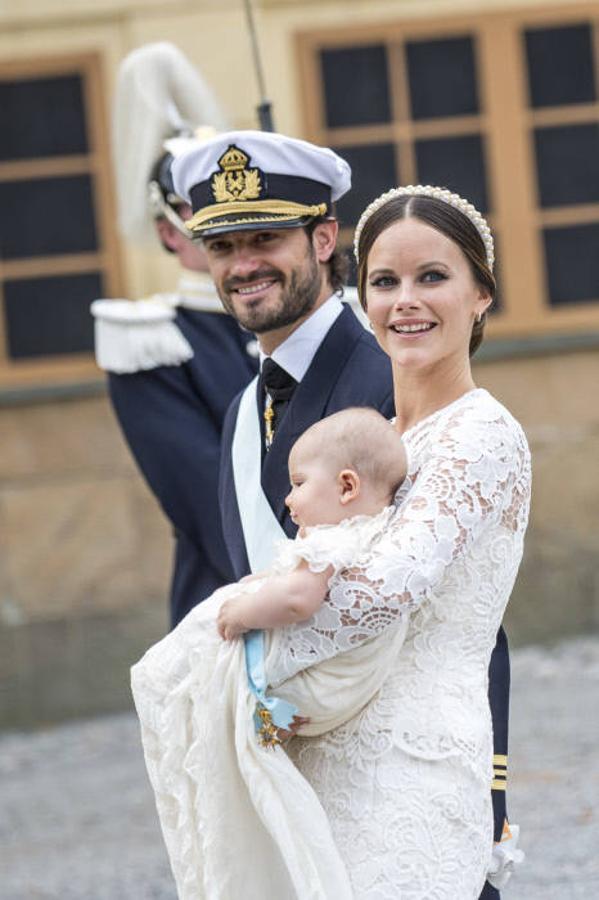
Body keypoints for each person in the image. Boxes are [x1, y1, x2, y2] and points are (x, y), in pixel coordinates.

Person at [172, 132, 516, 897]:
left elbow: (457, 613)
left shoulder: (396, 375)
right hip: (309, 767)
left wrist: (488, 797)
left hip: (412, 772)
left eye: (265, 238)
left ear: (323, 240)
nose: (245, 263)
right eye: (223, 245)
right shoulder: (239, 409)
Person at [131, 407, 409, 899]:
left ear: (346, 487)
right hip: (343, 688)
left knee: (184, 672)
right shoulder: (380, 535)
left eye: (299, 483)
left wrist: (243, 612)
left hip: (322, 684)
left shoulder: (329, 542)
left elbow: (299, 600)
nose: (289, 498)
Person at [91, 44, 258, 626]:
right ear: (169, 232)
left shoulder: (326, 315)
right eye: (203, 213)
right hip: (235, 606)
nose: (229, 228)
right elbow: (213, 510)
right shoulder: (153, 346)